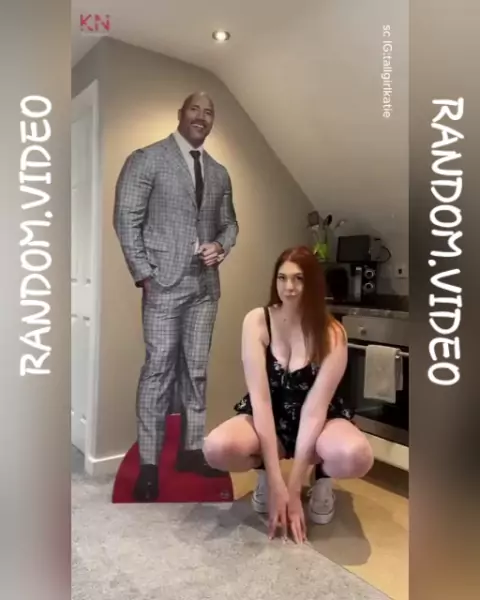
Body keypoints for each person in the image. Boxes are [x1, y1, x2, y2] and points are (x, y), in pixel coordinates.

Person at [113, 91, 239, 502]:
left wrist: (220, 246)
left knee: (196, 371)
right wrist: (144, 275)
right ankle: (149, 466)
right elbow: (126, 219)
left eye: (209, 112)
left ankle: (191, 450)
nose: (202, 117)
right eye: (195, 109)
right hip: (163, 285)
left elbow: (230, 224)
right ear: (180, 114)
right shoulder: (147, 159)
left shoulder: (219, 172)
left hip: (205, 289)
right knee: (159, 371)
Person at [203, 246, 374, 543]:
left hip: (318, 421)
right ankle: (264, 474)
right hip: (269, 414)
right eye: (282, 278)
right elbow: (261, 401)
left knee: (356, 456)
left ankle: (321, 479)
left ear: (313, 283)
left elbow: (315, 410)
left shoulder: (333, 332)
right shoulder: (257, 321)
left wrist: (293, 489)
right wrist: (275, 480)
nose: (289, 287)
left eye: (299, 278)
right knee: (216, 448)